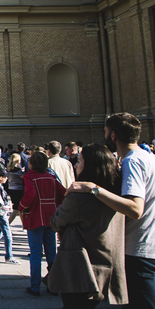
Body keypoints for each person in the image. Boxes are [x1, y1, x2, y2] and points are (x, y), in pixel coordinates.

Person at [68, 113, 155, 308]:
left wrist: (93, 188)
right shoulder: (148, 157)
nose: (105, 135)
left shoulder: (132, 162)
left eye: (105, 132)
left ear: (113, 135)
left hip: (138, 249)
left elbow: (135, 208)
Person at [49, 144, 127, 308]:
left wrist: (69, 195)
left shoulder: (79, 197)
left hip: (80, 267)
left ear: (90, 165)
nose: (76, 165)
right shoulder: (116, 193)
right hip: (108, 263)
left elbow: (56, 222)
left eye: (80, 161)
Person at [19, 150, 66, 296]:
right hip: (50, 216)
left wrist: (21, 206)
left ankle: (35, 286)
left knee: (35, 253)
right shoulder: (51, 177)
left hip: (35, 216)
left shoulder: (29, 177)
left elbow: (29, 195)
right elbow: (63, 192)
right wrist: (56, 205)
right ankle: (53, 285)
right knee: (51, 252)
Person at [6, 154, 25, 224]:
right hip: (18, 190)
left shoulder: (9, 169)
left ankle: (24, 224)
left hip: (11, 189)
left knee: (20, 208)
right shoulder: (18, 171)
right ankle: (7, 224)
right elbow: (24, 178)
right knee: (17, 209)